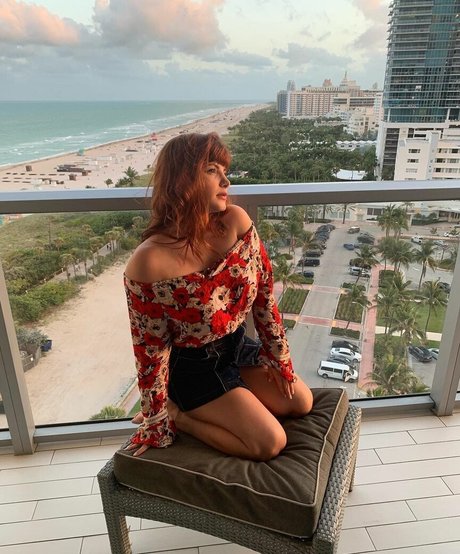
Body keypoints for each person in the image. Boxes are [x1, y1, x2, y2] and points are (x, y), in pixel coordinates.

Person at [124, 132, 313, 461]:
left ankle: (233, 396)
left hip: (236, 347)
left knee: (301, 402)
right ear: (182, 179)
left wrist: (278, 359)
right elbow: (149, 350)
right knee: (269, 442)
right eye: (212, 170)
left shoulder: (236, 222)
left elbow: (264, 297)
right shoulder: (149, 261)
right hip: (194, 370)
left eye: (225, 170)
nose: (226, 181)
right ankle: (180, 415)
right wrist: (157, 419)